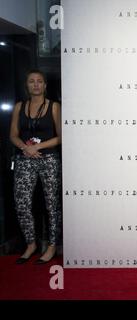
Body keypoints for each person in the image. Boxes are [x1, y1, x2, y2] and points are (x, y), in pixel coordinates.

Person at [9, 69, 62, 265]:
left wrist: (37, 146)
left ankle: (52, 246)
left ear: (45, 85)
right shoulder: (19, 107)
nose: (36, 84)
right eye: (32, 81)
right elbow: (13, 134)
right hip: (24, 159)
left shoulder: (54, 107)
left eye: (40, 81)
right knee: (21, 203)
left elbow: (61, 136)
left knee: (52, 204)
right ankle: (30, 244)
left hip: (48, 159)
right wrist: (25, 147)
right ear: (27, 85)